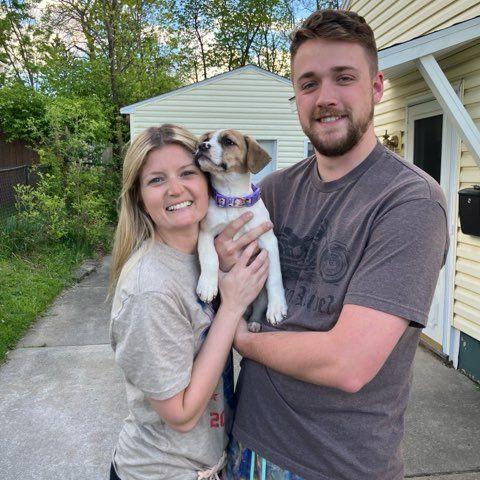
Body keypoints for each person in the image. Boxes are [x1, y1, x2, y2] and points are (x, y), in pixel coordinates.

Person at [215, 10, 449, 480]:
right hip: (246, 442)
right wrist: (221, 264)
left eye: (344, 77)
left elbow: (348, 363)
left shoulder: (409, 201)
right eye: (308, 83)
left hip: (336, 465)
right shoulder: (272, 191)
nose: (325, 98)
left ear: (376, 87)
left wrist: (238, 337)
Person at [108, 124, 269, 480]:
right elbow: (180, 415)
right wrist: (231, 307)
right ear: (139, 198)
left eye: (187, 173)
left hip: (208, 464)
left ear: (207, 176)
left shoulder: (203, 258)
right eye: (156, 180)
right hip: (160, 472)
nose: (176, 189)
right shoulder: (149, 290)